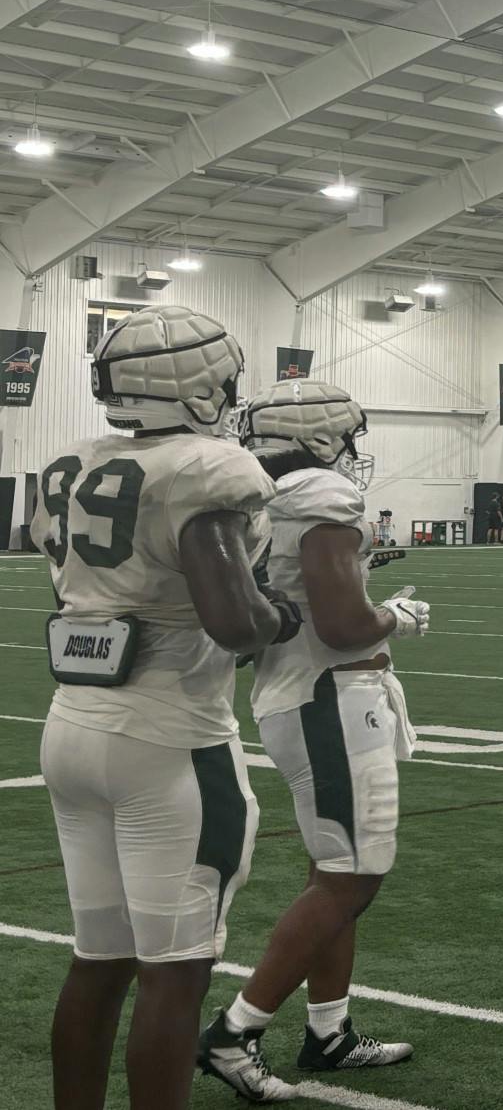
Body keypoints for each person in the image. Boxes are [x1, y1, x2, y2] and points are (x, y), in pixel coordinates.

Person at [33, 305, 283, 1110]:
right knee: (173, 978)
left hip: (72, 727)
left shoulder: (72, 461)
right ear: (198, 386)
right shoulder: (205, 468)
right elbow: (235, 622)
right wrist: (281, 611)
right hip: (170, 740)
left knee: (97, 960)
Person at [197, 380, 430, 1099]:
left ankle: (329, 1031)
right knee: (352, 875)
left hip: (297, 693)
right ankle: (235, 1031)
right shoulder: (319, 493)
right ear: (326, 436)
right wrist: (398, 615)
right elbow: (343, 626)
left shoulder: (258, 492)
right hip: (328, 697)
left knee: (336, 870)